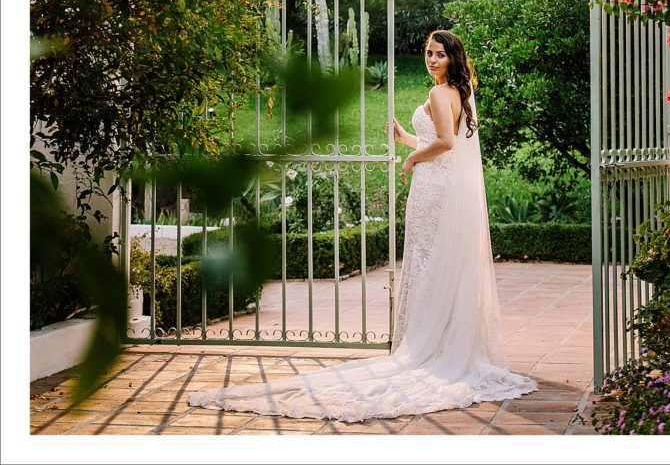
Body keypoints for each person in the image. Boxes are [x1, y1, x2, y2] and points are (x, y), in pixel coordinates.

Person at [187, 29, 537, 422]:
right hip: (443, 186)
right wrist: (407, 139)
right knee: (438, 264)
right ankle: (443, 341)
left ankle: (428, 346)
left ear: (453, 58)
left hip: (433, 188)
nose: (432, 60)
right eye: (428, 53)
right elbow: (439, 139)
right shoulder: (461, 93)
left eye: (439, 54)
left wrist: (411, 160)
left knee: (426, 263)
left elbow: (444, 145)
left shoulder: (441, 94)